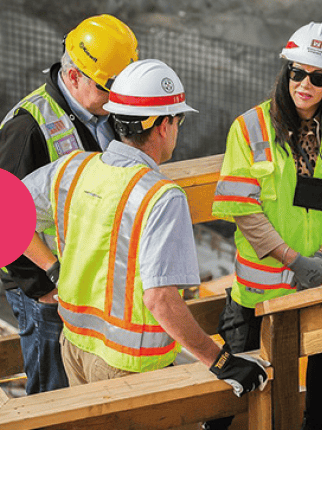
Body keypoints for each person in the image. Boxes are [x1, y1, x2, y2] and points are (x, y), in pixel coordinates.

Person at [20, 59, 269, 399]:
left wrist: (53, 267)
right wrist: (220, 361)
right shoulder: (161, 196)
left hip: (75, 347)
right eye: (178, 120)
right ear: (164, 125)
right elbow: (160, 299)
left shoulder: (73, 169)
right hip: (130, 368)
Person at [206, 21, 322, 430]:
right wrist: (292, 260)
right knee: (233, 394)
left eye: (317, 77)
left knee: (321, 392)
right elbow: (243, 209)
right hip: (261, 292)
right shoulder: (249, 128)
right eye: (296, 72)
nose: (304, 83)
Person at [0, 14, 138, 394]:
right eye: (109, 86)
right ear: (73, 77)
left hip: (95, 288)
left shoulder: (108, 113)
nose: (119, 96)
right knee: (54, 399)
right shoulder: (27, 129)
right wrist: (47, 283)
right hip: (47, 291)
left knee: (92, 396)